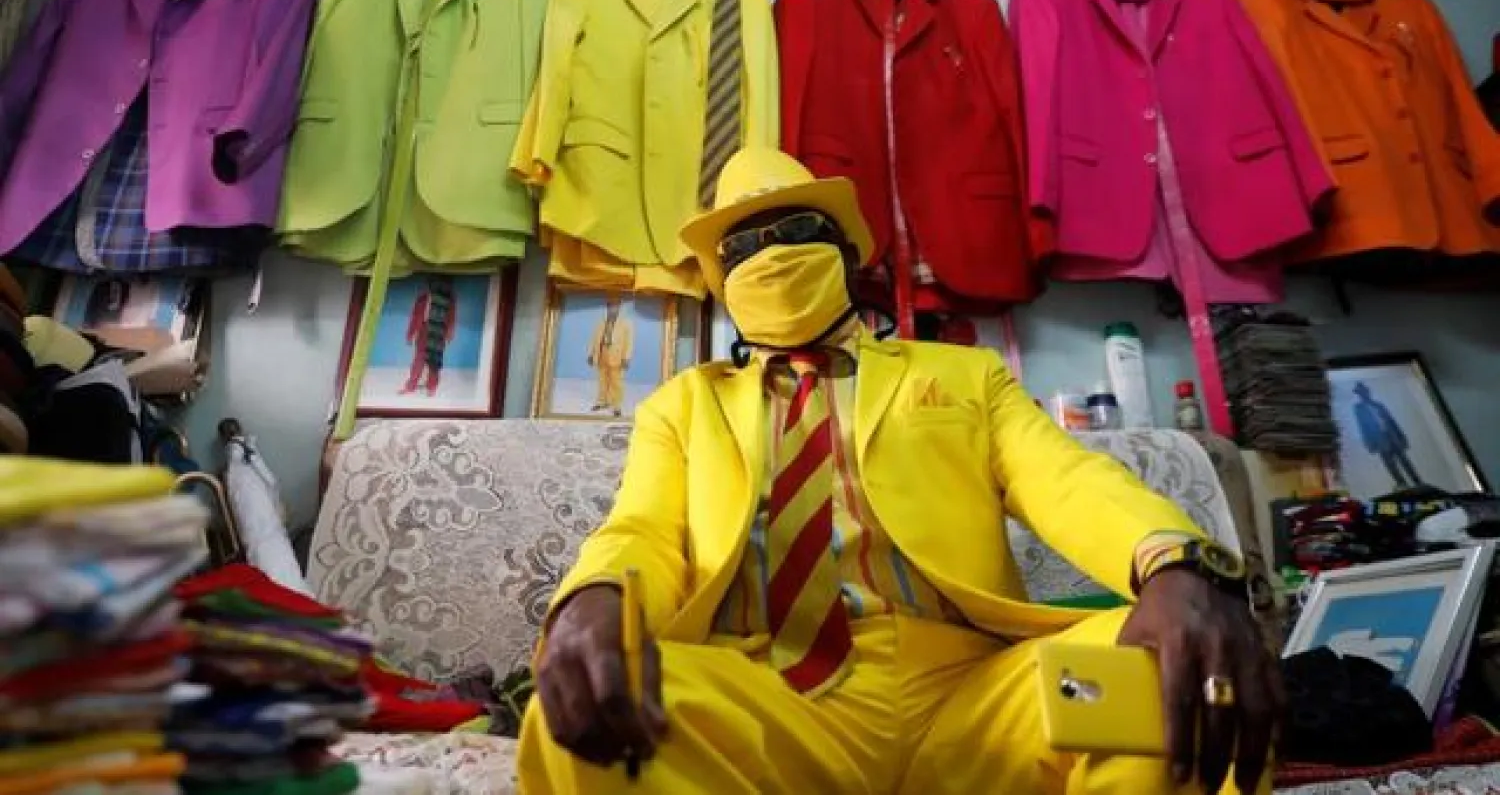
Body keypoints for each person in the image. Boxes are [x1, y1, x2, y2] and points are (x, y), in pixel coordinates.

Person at [519, 149, 1280, 795]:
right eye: (745, 246)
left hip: (975, 696)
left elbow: (1066, 480)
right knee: (572, 727)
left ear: (849, 257)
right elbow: (644, 528)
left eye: (798, 230)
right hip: (764, 699)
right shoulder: (683, 406)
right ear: (722, 281)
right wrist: (593, 598)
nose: (773, 253)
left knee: (1168, 672)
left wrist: (1175, 564)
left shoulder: (964, 375)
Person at [1352, 381, 1422, 490]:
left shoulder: (1379, 405)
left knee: (1404, 460)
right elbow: (1362, 427)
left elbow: (1392, 421)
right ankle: (1402, 483)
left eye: (1366, 391)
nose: (1366, 394)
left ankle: (1417, 481)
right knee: (1390, 464)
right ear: (1359, 394)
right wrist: (1369, 444)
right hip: (1379, 439)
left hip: (1391, 436)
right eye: (1362, 392)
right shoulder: (1359, 408)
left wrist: (1401, 437)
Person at [400, 276, 457, 397]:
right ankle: (411, 386)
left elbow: (451, 317)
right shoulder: (422, 298)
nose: (434, 286)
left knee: (434, 359)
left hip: (438, 330)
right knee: (418, 359)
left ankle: (432, 387)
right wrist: (410, 334)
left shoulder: (448, 298)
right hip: (423, 329)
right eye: (432, 284)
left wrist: (449, 333)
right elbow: (415, 317)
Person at [587, 295, 634, 417]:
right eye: (611, 307)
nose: (613, 309)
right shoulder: (601, 323)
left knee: (616, 382)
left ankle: (616, 406)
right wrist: (591, 354)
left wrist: (626, 358)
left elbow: (629, 342)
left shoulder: (625, 324)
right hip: (602, 354)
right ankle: (602, 401)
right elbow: (594, 339)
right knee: (602, 380)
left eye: (615, 307)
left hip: (617, 356)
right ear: (607, 308)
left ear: (619, 308)